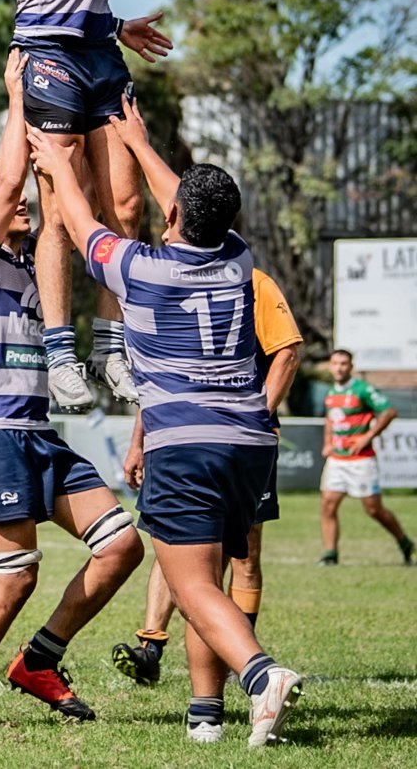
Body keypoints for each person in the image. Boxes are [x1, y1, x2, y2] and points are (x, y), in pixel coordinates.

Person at [29, 97, 303, 747]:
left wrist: (58, 163)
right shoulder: (238, 261)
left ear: (174, 214)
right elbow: (187, 206)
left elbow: (77, 217)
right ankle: (205, 713)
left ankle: (262, 678)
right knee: (207, 579)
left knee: (189, 583)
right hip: (249, 440)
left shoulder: (139, 270)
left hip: (186, 445)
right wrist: (138, 141)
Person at [0, 51, 143, 731]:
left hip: (36, 436)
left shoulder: (32, 260)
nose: (11, 198)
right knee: (15, 575)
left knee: (121, 547)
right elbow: (15, 173)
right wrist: (20, 97)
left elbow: (81, 211)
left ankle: (38, 661)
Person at [5, 0, 177, 409]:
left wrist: (116, 23)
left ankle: (111, 349)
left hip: (100, 52)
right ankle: (60, 356)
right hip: (50, 56)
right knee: (57, 206)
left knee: (128, 209)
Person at [112, 266, 303, 683]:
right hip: (177, 438)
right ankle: (150, 647)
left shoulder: (254, 282)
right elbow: (160, 375)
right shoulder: (168, 282)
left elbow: (287, 352)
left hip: (240, 443)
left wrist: (254, 417)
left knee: (244, 552)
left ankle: (240, 656)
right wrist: (137, 442)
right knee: (173, 539)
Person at [318, 348, 414, 566]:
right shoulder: (331, 392)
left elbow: (389, 412)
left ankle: (404, 541)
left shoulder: (363, 390)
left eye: (344, 363)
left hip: (361, 460)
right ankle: (330, 554)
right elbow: (330, 420)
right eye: (335, 363)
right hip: (337, 459)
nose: (339, 367)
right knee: (328, 505)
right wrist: (327, 442)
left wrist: (366, 437)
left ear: (351, 367)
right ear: (330, 366)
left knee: (373, 509)